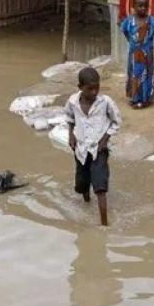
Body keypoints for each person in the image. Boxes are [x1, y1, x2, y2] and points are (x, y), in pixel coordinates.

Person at [66, 66, 121, 227]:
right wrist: (71, 135)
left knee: (100, 188)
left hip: (99, 150)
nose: (94, 92)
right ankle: (86, 201)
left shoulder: (105, 103)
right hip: (81, 149)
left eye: (97, 87)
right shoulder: (72, 102)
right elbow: (69, 118)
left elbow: (116, 122)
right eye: (90, 89)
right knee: (82, 183)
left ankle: (104, 225)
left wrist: (105, 139)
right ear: (80, 87)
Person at [119, 0, 154, 109]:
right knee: (135, 75)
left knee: (147, 75)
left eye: (145, 6)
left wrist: (148, 39)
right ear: (133, 7)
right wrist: (131, 40)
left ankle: (146, 99)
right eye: (140, 6)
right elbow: (124, 30)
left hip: (147, 54)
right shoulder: (129, 21)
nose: (143, 8)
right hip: (134, 54)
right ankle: (135, 99)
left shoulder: (152, 21)